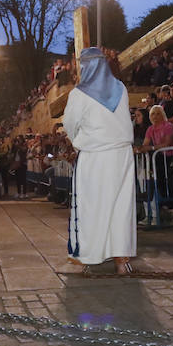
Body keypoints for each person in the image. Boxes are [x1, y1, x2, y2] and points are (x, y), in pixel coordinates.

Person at [62, 47, 136, 274]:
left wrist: (78, 142)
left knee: (92, 206)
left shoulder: (79, 93)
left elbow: (69, 124)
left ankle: (88, 256)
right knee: (121, 206)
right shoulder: (120, 88)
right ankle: (121, 260)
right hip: (122, 155)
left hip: (95, 156)